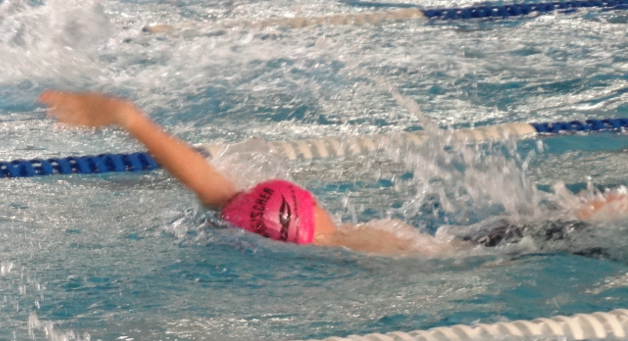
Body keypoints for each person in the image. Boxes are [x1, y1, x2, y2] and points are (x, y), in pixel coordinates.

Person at [38, 90, 628, 256]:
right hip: (479, 250)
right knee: (564, 222)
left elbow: (209, 185)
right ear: (312, 207)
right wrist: (125, 116)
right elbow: (206, 180)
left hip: (458, 253)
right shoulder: (360, 241)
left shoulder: (246, 217)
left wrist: (128, 119)